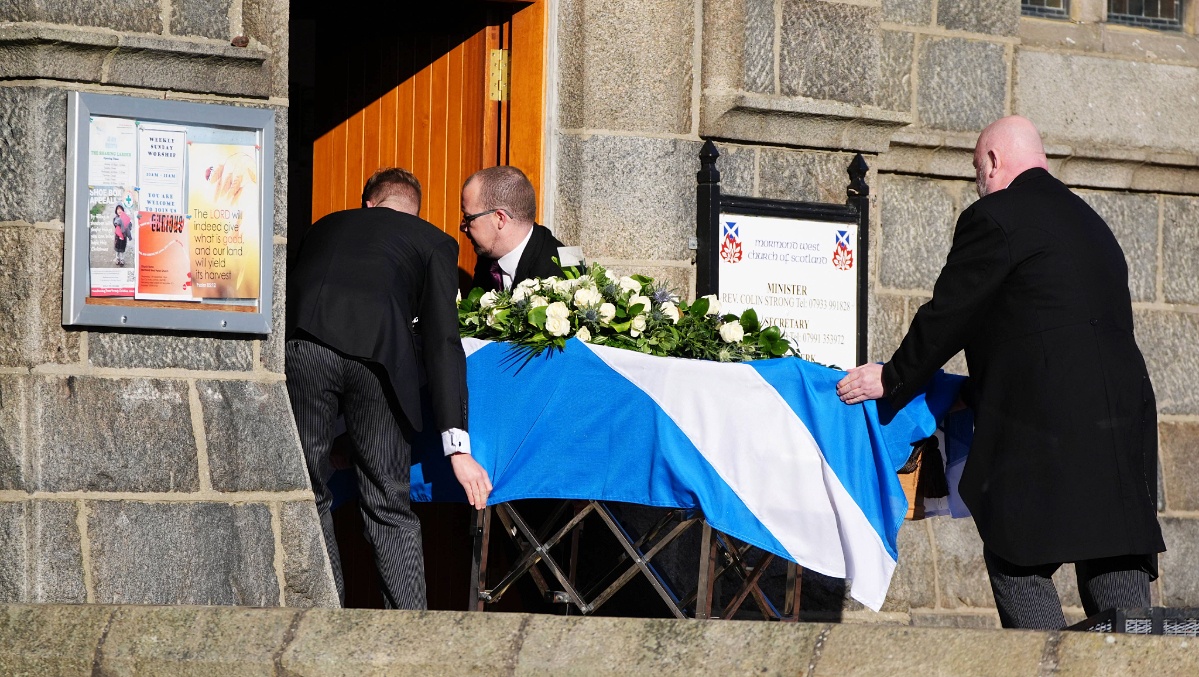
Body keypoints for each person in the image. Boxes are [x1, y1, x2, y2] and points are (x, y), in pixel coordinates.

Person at [835, 116, 1165, 630]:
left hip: (1045, 430)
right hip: (1123, 429)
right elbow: (1046, 329)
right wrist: (976, 387)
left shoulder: (996, 217)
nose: (978, 181)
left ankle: (1045, 662)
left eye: (976, 168)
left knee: (1016, 559)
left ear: (992, 160)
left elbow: (950, 313)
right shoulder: (1091, 224)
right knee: (1118, 582)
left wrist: (893, 377)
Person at [287, 166, 492, 609]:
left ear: (369, 203)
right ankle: (410, 634)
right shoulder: (434, 241)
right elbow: (442, 343)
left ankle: (322, 616)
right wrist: (457, 447)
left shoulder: (324, 226)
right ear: (415, 214)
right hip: (381, 361)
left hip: (306, 347)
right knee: (388, 504)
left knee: (308, 492)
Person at [461, 166, 565, 292]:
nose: (463, 227)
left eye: (468, 218)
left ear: (500, 218)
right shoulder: (488, 257)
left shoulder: (559, 276)